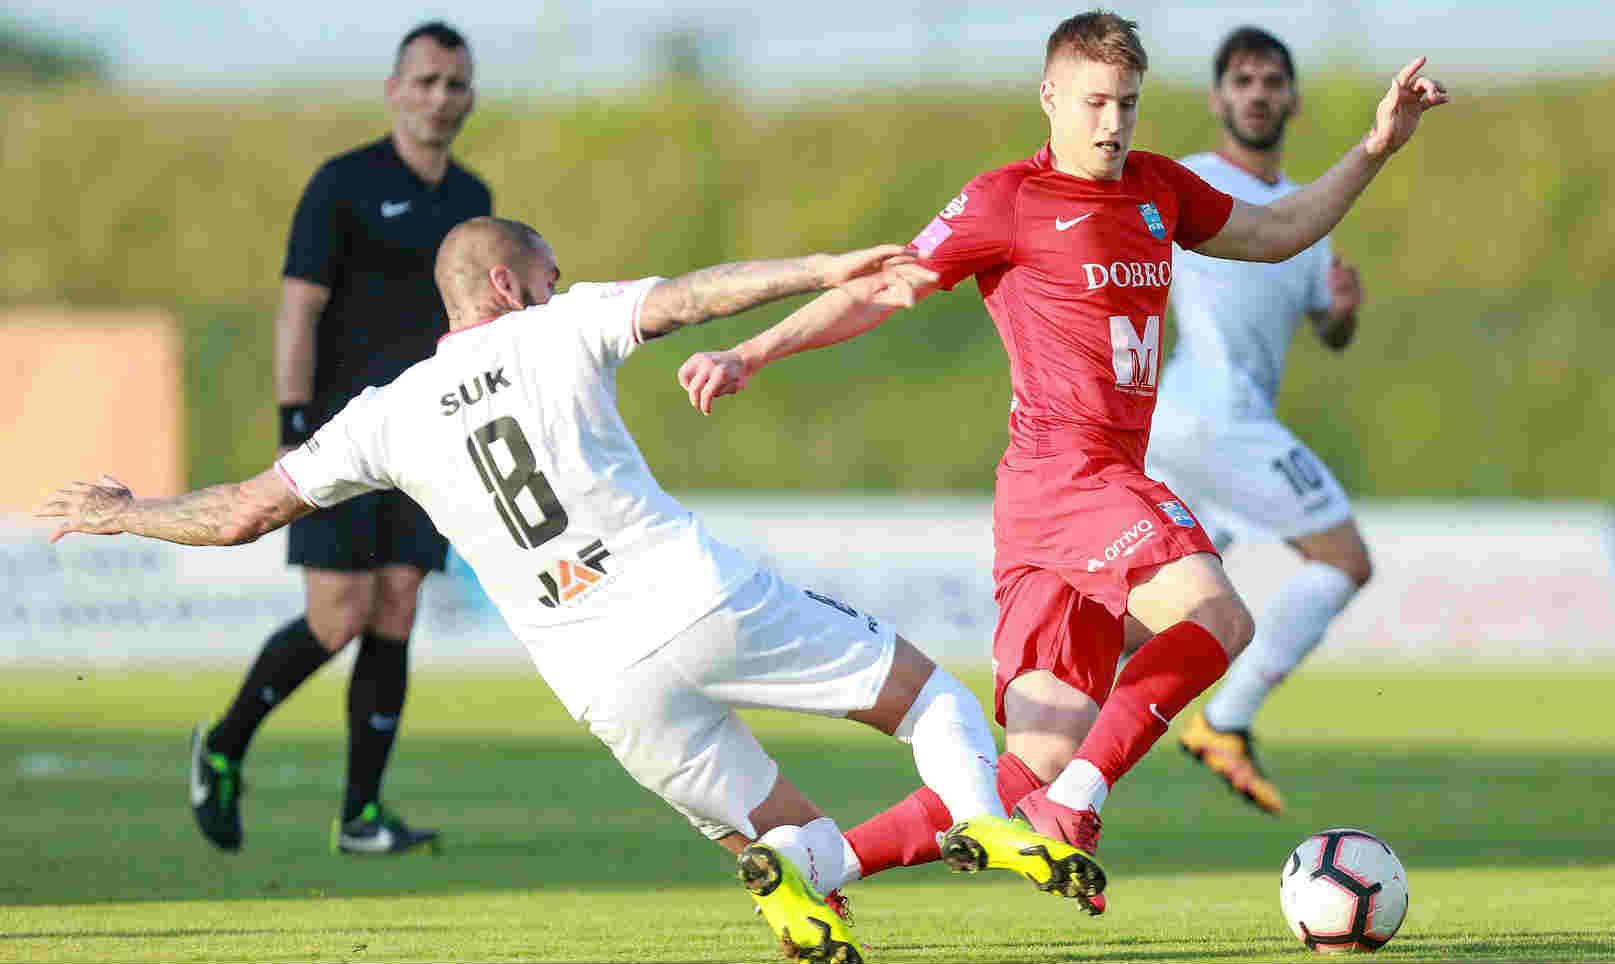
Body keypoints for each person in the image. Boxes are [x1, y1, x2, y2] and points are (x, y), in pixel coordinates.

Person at [37, 217, 1103, 964]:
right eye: (546, 274)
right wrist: (822, 265)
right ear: (508, 285)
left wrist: (128, 508)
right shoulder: (558, 325)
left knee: (788, 842)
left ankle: (796, 904)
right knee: (938, 704)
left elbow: (240, 512)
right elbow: (695, 297)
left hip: (596, 679)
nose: (556, 286)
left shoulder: (385, 413)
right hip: (691, 596)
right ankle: (986, 820)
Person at [676, 9, 1445, 916]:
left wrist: (1376, 147)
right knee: (1217, 617)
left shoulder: (1158, 188)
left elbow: (1276, 232)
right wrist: (751, 352)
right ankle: (1075, 807)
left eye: (1125, 103)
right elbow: (884, 287)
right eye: (1093, 103)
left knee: (1033, 756)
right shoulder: (1006, 199)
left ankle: (823, 868)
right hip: (1072, 477)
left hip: (1055, 504)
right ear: (1049, 97)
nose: (1112, 124)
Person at [192, 21, 492, 855]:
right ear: (395, 88)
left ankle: (361, 814)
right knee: (338, 614)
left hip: (427, 437)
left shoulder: (471, 201)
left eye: (455, 84)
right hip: (338, 435)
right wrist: (293, 425)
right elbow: (300, 306)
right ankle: (223, 745)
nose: (440, 97)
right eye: (426, 80)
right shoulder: (344, 184)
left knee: (397, 605)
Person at [1147, 27, 1373, 816]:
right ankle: (1226, 721)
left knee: (1174, 616)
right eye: (1241, 81)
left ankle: (1058, 748)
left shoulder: (1307, 212)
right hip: (1213, 419)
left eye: (1270, 81)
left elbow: (1328, 330)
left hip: (1194, 431)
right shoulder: (1185, 182)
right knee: (1343, 559)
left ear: (1292, 99)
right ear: (1217, 100)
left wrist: (1341, 314)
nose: (1256, 93)